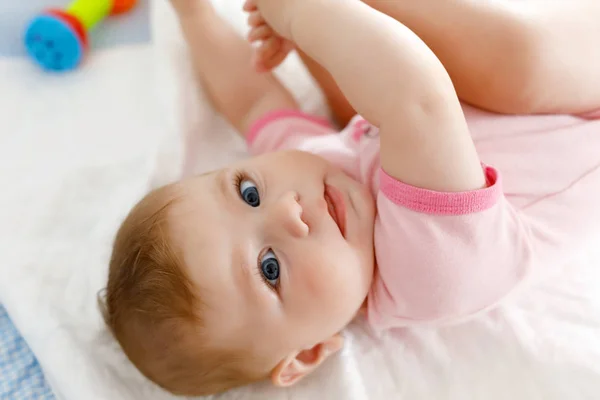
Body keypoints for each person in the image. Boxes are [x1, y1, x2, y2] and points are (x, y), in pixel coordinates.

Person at [103, 0, 600, 396]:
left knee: (344, 57)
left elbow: (251, 99)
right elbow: (417, 99)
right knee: (518, 60)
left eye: (246, 191)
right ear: (308, 353)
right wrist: (298, 14)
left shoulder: (306, 177)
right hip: (583, 103)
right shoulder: (429, 273)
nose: (286, 210)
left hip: (473, 102)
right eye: (270, 268)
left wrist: (193, 13)